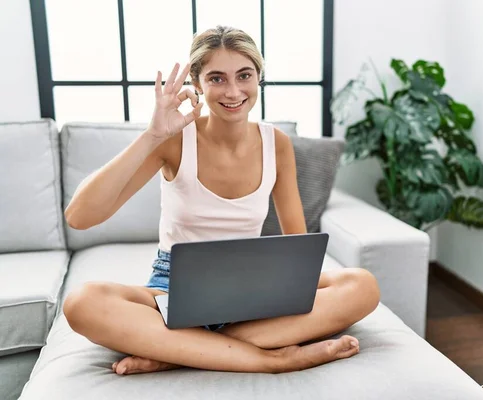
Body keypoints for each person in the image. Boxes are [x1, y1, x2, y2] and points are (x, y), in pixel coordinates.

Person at [62, 26, 380, 375]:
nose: (233, 91)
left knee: (362, 285)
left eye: (244, 75)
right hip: (174, 286)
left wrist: (286, 292)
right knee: (82, 303)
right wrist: (152, 135)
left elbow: (297, 247)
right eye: (217, 79)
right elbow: (79, 216)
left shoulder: (277, 144)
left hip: (253, 282)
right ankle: (272, 358)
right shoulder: (173, 140)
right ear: (197, 84)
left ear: (259, 77)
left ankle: (181, 350)